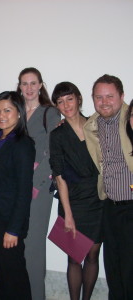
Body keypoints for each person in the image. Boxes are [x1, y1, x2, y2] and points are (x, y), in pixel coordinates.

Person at [49, 82, 103, 300]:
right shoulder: (58, 135)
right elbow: (59, 177)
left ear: (79, 99)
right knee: (74, 257)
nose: (66, 105)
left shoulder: (97, 125)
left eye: (69, 99)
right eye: (60, 102)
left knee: (93, 255)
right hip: (72, 201)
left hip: (98, 199)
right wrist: (68, 214)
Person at [83, 75, 133, 300]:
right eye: (98, 97)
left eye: (110, 96)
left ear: (122, 97)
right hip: (110, 206)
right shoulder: (92, 124)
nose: (104, 102)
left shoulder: (130, 119)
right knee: (113, 265)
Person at [0, 91, 36, 300]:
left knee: (14, 277)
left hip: (10, 220)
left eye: (7, 110)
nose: (1, 115)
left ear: (19, 113)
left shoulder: (22, 144)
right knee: (1, 274)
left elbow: (24, 191)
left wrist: (13, 229)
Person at [16, 67, 61, 299]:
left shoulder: (50, 113)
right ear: (19, 86)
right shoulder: (14, 111)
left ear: (41, 85)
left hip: (38, 188)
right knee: (17, 246)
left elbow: (52, 153)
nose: (29, 88)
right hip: (15, 188)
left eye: (33, 83)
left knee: (33, 247)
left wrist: (36, 182)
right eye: (25, 83)